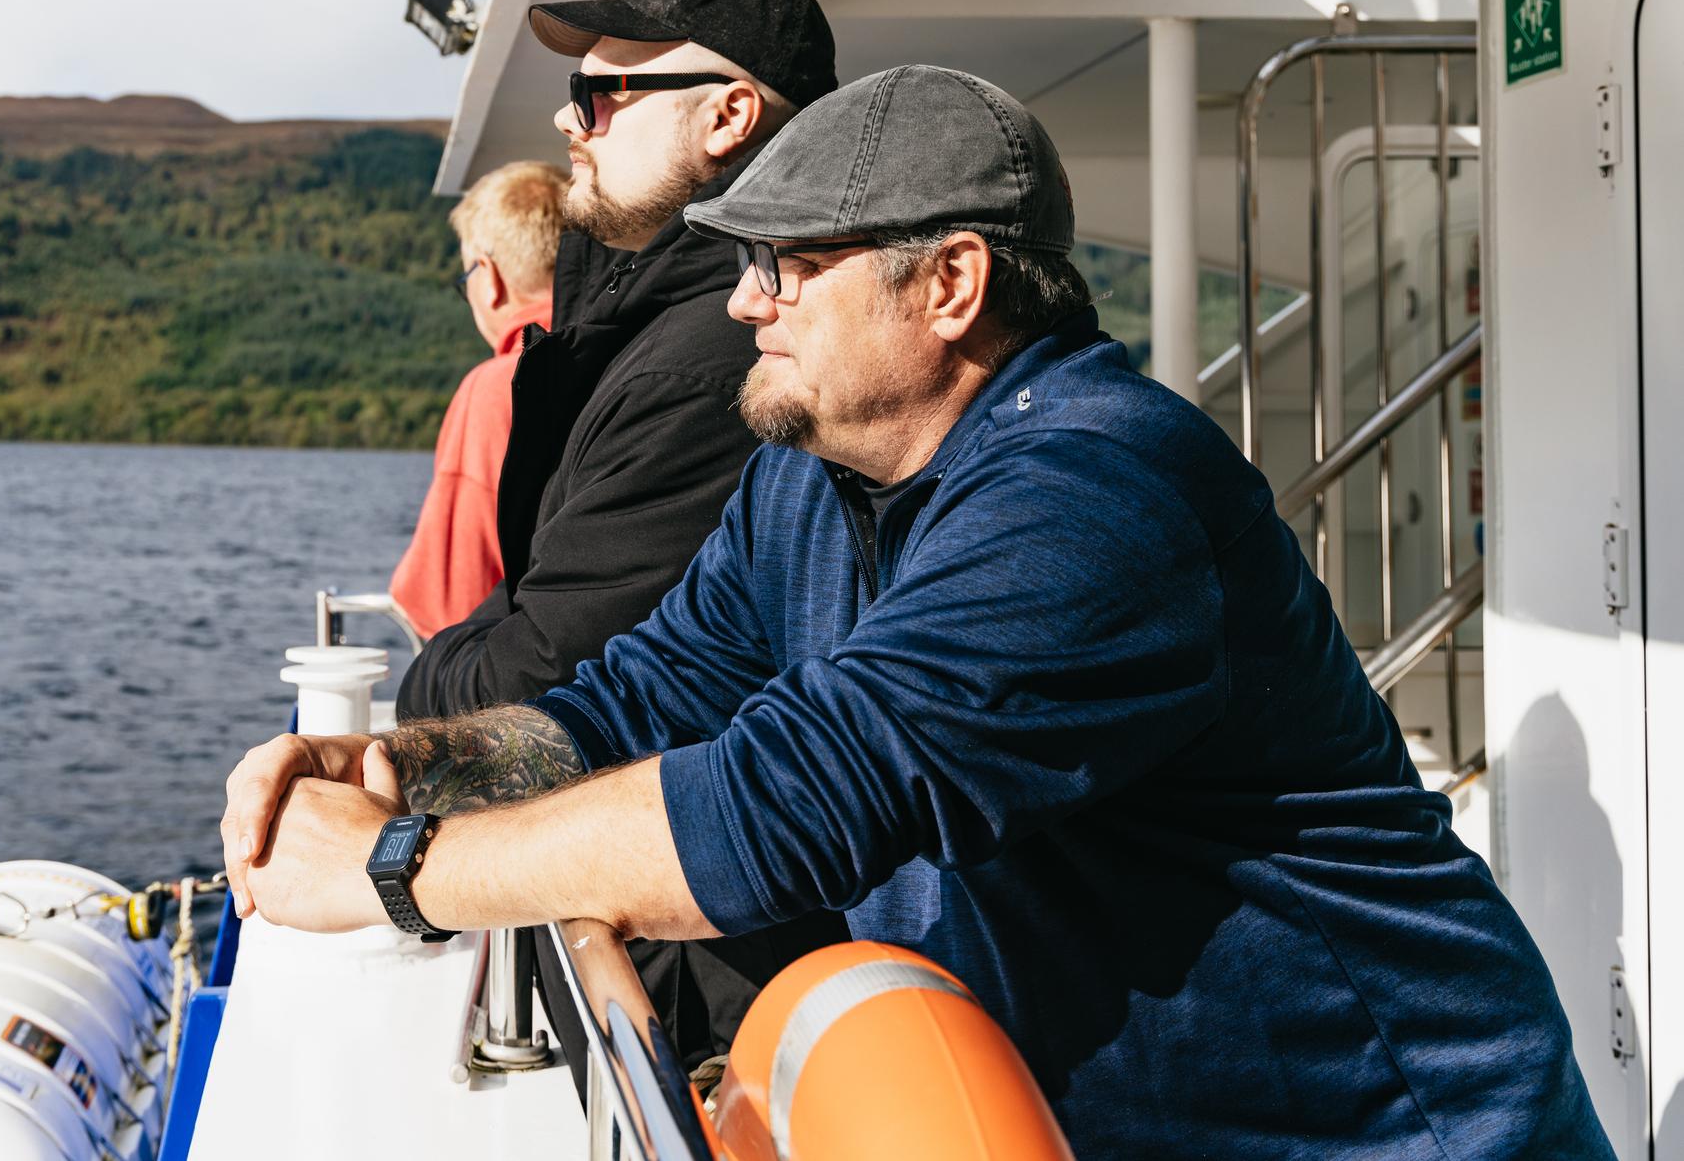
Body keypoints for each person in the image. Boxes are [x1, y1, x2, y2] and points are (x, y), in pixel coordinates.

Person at [222, 64, 1612, 1159]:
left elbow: (786, 805)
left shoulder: (1098, 492)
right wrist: (398, 768)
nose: (747, 304)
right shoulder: (811, 478)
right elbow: (633, 704)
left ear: (949, 284)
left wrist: (390, 870)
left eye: (787, 264)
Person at [391, 0, 849, 1081]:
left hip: (714, 990)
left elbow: (547, 663)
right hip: (688, 950)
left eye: (602, 94)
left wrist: (412, 728)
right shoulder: (642, 338)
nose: (568, 119)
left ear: (727, 114)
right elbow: (630, 667)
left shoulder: (709, 364)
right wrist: (410, 756)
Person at [387, 160, 564, 641]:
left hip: (521, 669)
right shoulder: (629, 353)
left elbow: (446, 603)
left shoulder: (499, 386)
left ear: (489, 276)